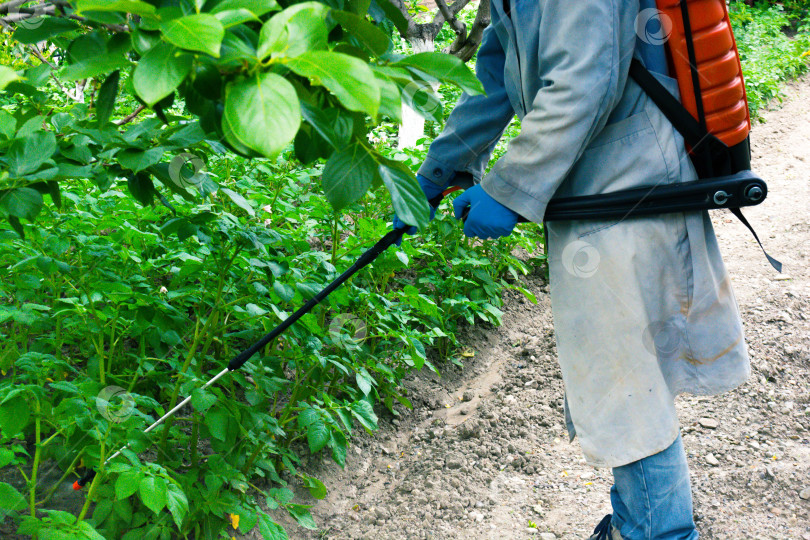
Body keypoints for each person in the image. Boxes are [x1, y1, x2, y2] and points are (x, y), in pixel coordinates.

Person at [393, 0, 750, 538]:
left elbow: (584, 83)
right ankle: (643, 523)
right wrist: (440, 169)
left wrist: (508, 190)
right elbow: (495, 71)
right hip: (597, 180)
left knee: (628, 389)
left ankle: (659, 532)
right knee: (624, 382)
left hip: (629, 184)